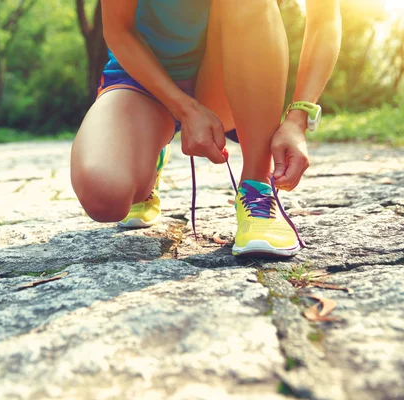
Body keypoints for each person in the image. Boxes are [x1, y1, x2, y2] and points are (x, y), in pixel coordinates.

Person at [70, 0, 342, 257]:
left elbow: (324, 18)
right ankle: (153, 149)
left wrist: (298, 118)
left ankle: (257, 188)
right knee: (104, 195)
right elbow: (119, 30)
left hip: (229, 74)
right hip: (144, 80)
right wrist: (185, 109)